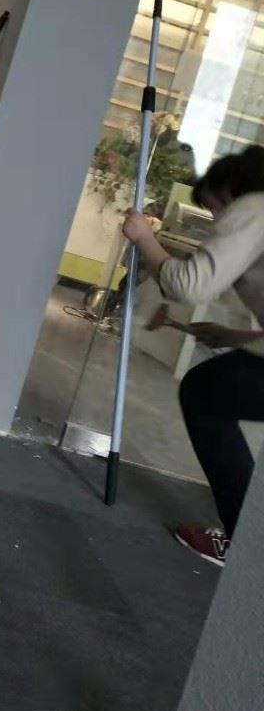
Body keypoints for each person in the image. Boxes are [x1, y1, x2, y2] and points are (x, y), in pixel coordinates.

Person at [123, 145, 264, 567]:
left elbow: (189, 285)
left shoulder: (253, 207)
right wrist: (235, 336)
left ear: (232, 190)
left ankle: (245, 549)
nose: (218, 222)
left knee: (205, 394)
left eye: (217, 209)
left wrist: (145, 238)